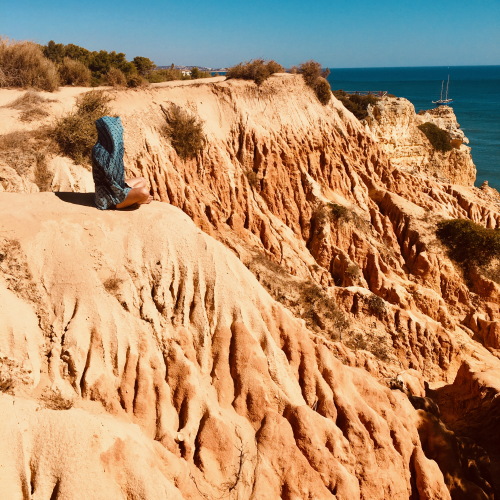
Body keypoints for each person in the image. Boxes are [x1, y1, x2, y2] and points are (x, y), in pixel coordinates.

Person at [92, 116, 153, 210]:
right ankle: (139, 201)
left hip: (116, 188)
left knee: (142, 180)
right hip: (108, 197)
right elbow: (110, 179)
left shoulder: (112, 149)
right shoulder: (100, 151)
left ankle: (132, 199)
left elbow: (117, 181)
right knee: (144, 193)